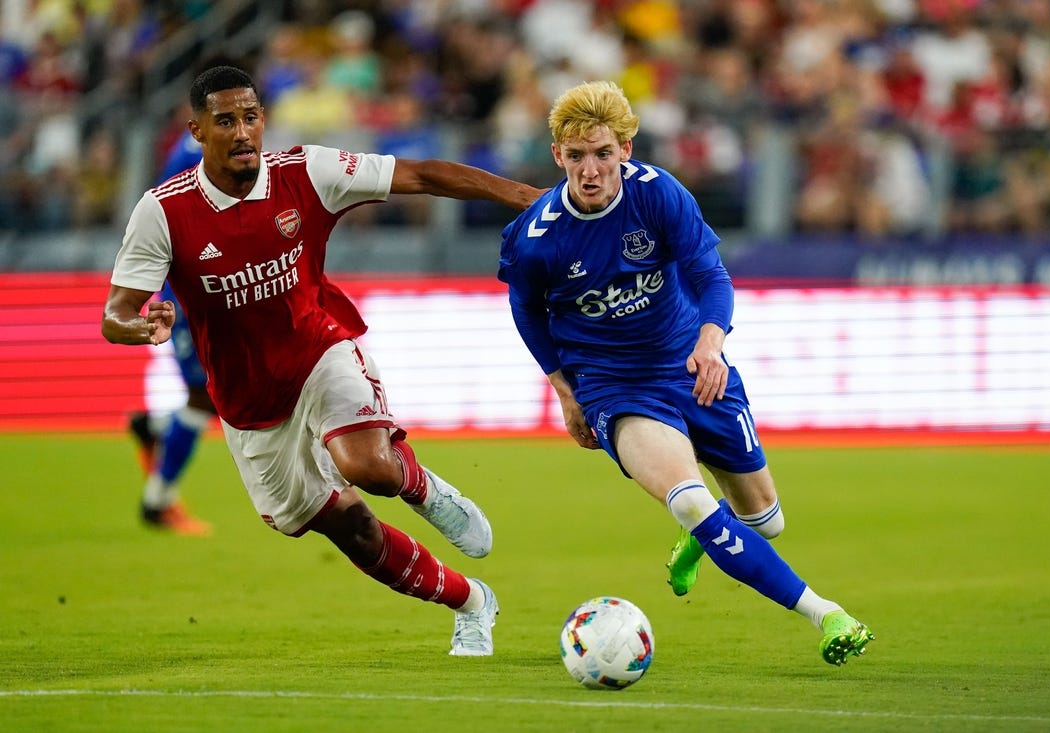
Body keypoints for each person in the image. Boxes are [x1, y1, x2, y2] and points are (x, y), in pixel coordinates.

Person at [103, 65, 544, 655]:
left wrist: (525, 197)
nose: (243, 132)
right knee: (353, 530)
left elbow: (419, 174)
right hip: (250, 402)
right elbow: (116, 313)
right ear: (197, 131)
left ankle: (423, 489)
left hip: (321, 349)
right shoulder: (162, 212)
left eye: (252, 116)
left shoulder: (307, 172)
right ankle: (470, 601)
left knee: (368, 467)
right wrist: (140, 325)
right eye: (226, 120)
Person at [497, 80, 874, 666]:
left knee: (765, 521)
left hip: (689, 361)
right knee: (694, 502)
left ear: (626, 147)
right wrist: (564, 390)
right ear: (557, 156)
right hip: (613, 385)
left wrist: (711, 341)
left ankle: (697, 537)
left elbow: (712, 277)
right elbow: (525, 310)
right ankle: (828, 615)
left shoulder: (659, 196)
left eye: (602, 153)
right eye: (576, 157)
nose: (589, 171)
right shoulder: (536, 238)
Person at [128, 125, 214, 536]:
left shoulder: (195, 144)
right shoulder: (203, 152)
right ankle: (157, 501)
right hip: (186, 293)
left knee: (212, 399)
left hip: (203, 289)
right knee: (204, 399)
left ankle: (158, 429)